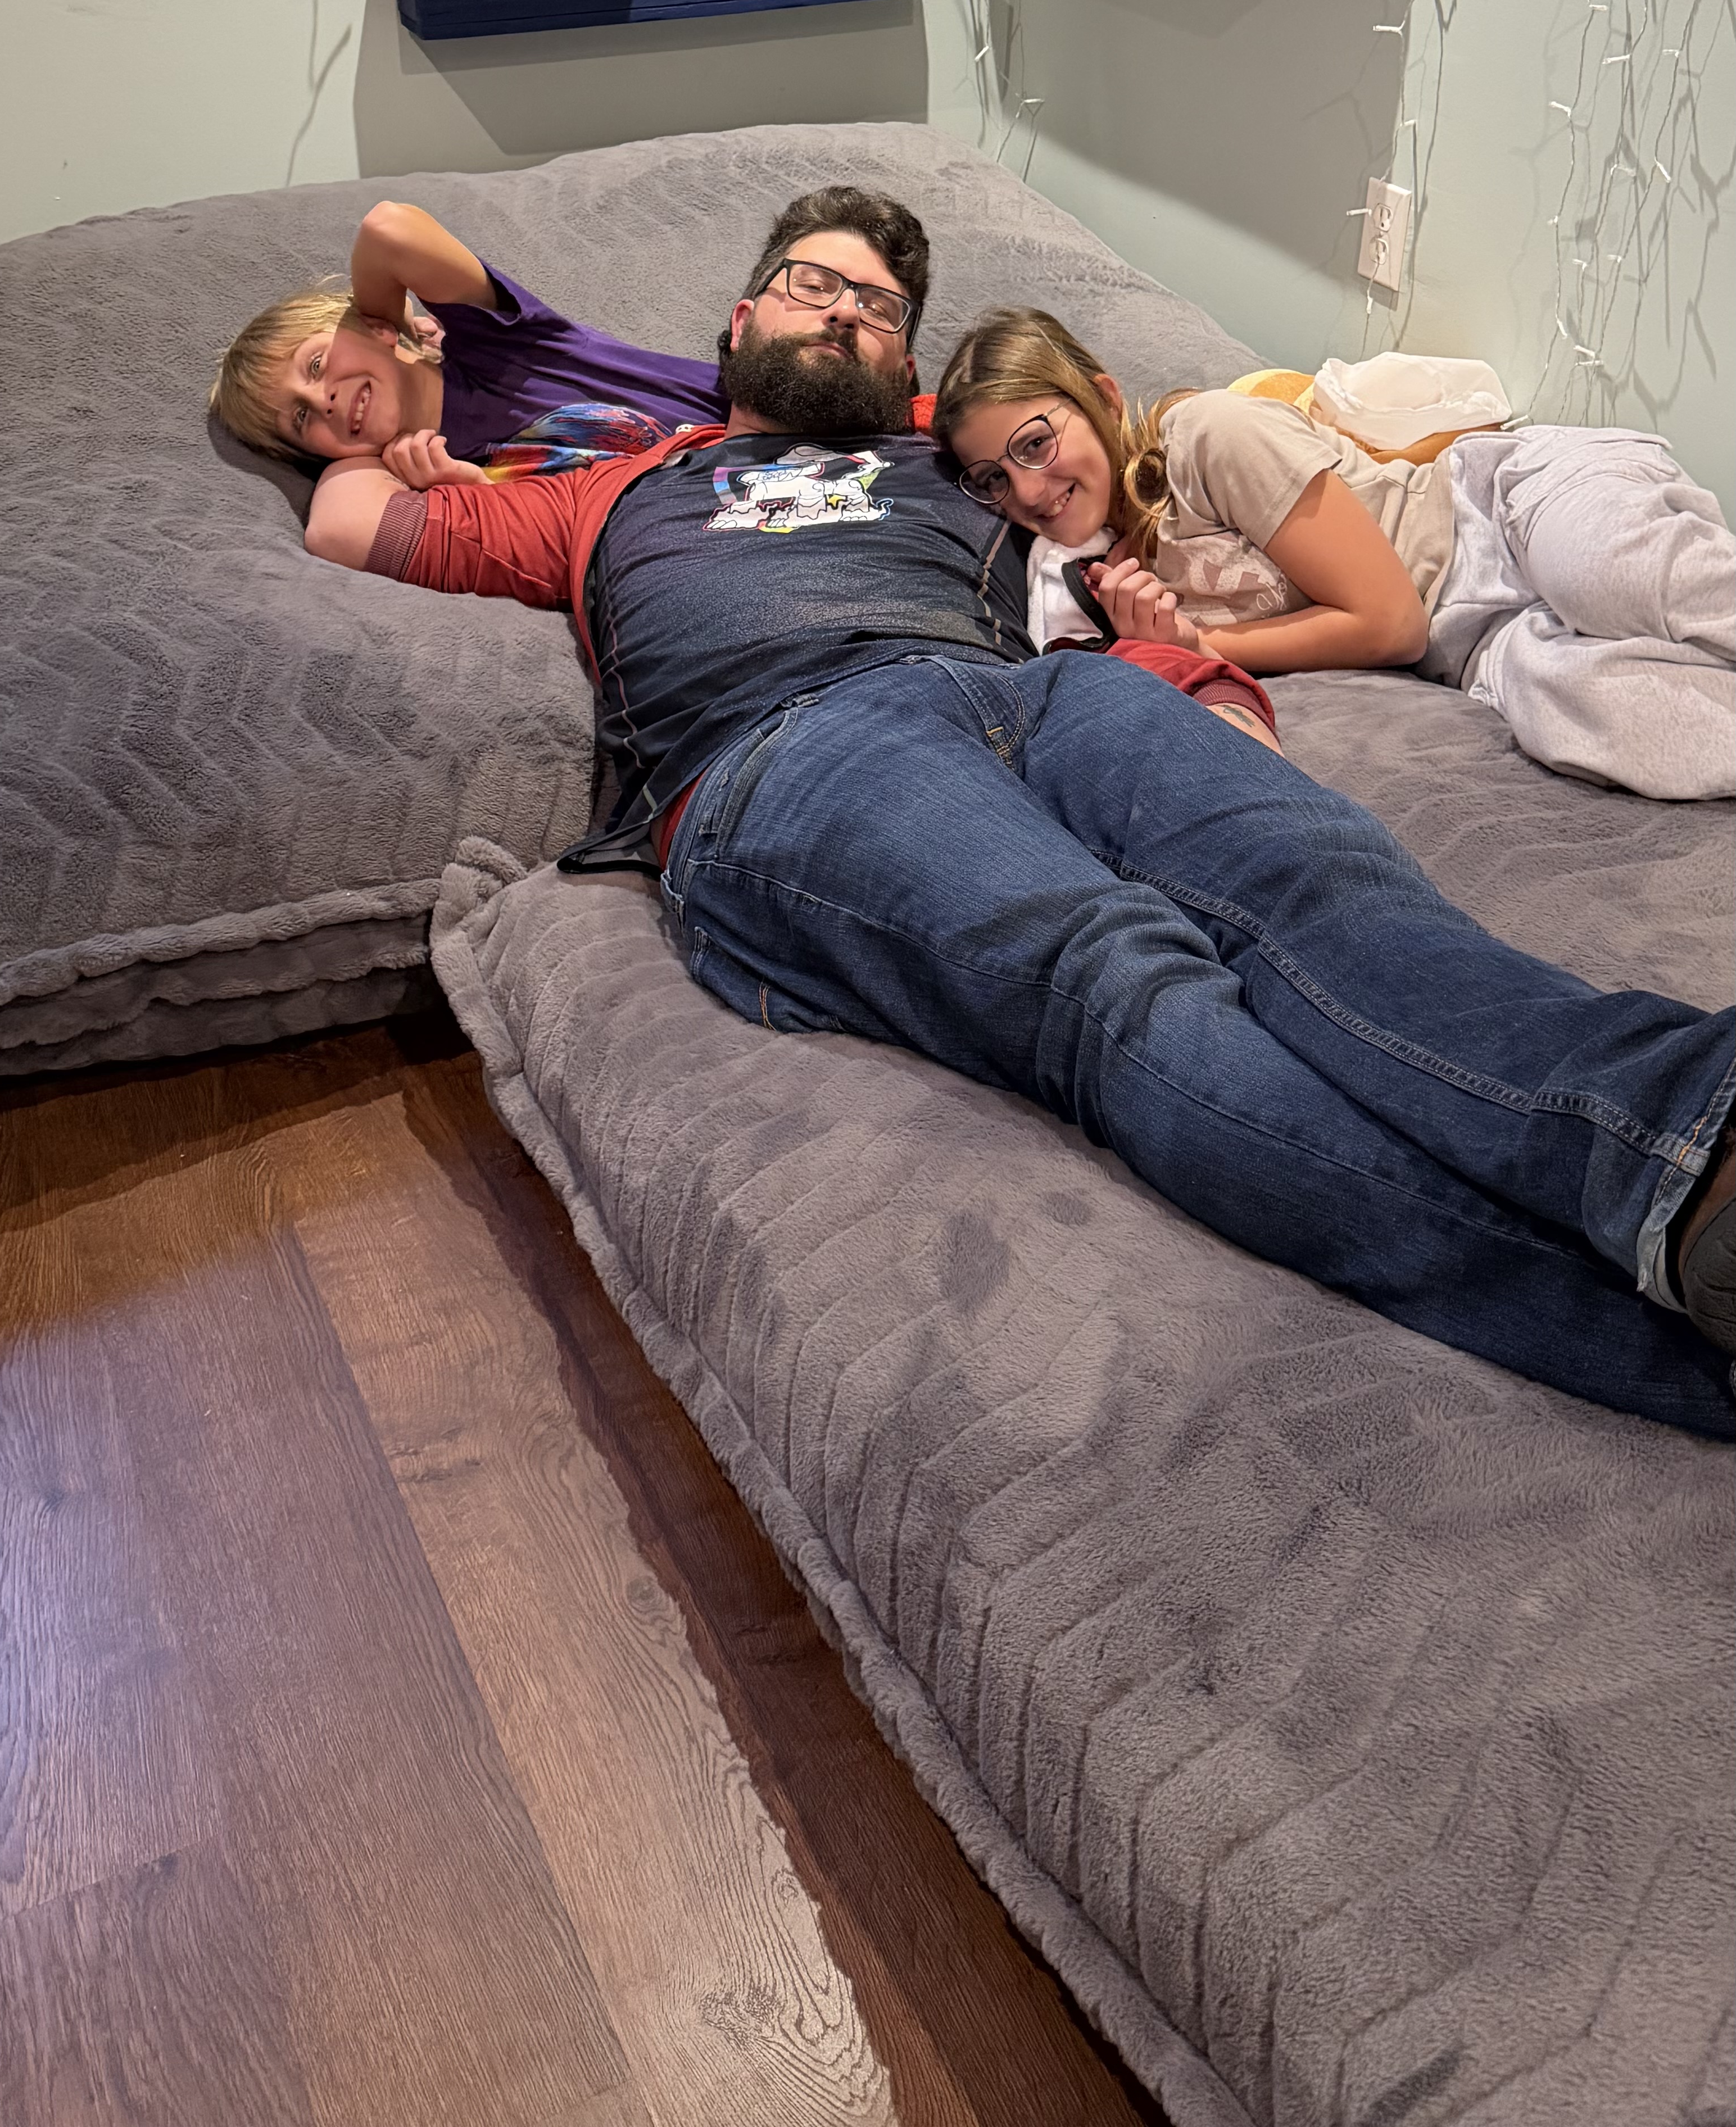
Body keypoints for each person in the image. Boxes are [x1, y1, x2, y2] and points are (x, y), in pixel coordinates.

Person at [303, 185, 1736, 1438]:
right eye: (813, 284)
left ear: (904, 369)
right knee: (1117, 975)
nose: (845, 312)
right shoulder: (608, 492)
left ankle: (1696, 1139)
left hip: (1042, 695)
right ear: (738, 324)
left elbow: (1093, 487)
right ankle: (1670, 1348)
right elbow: (345, 514)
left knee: (1315, 874)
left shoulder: (948, 458)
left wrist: (1196, 681)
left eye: (879, 310)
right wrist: (407, 407)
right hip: (785, 749)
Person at [932, 308, 1736, 805]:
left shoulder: (1206, 437)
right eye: (992, 478)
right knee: (1618, 725)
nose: (1026, 489)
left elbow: (1390, 623)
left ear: (1103, 400)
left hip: (1499, 511)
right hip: (1472, 643)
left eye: (1036, 443)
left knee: (1605, 574)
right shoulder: (1102, 583)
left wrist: (1201, 645)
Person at [208, 197, 722, 475]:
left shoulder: (498, 348)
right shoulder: (425, 483)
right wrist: (460, 487)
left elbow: (389, 228)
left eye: (316, 365)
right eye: (300, 418)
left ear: (373, 328)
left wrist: (386, 319)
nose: (322, 401)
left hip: (751, 421)